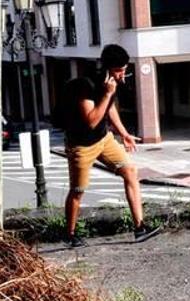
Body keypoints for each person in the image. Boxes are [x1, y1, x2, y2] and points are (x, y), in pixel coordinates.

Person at [59, 44, 150, 248]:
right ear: (108, 67)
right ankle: (70, 234)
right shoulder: (86, 85)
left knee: (130, 172)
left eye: (124, 69)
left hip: (104, 140)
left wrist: (124, 133)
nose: (122, 75)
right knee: (78, 191)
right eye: (119, 70)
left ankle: (140, 228)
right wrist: (108, 94)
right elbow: (91, 120)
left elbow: (109, 111)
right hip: (81, 146)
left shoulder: (110, 82)